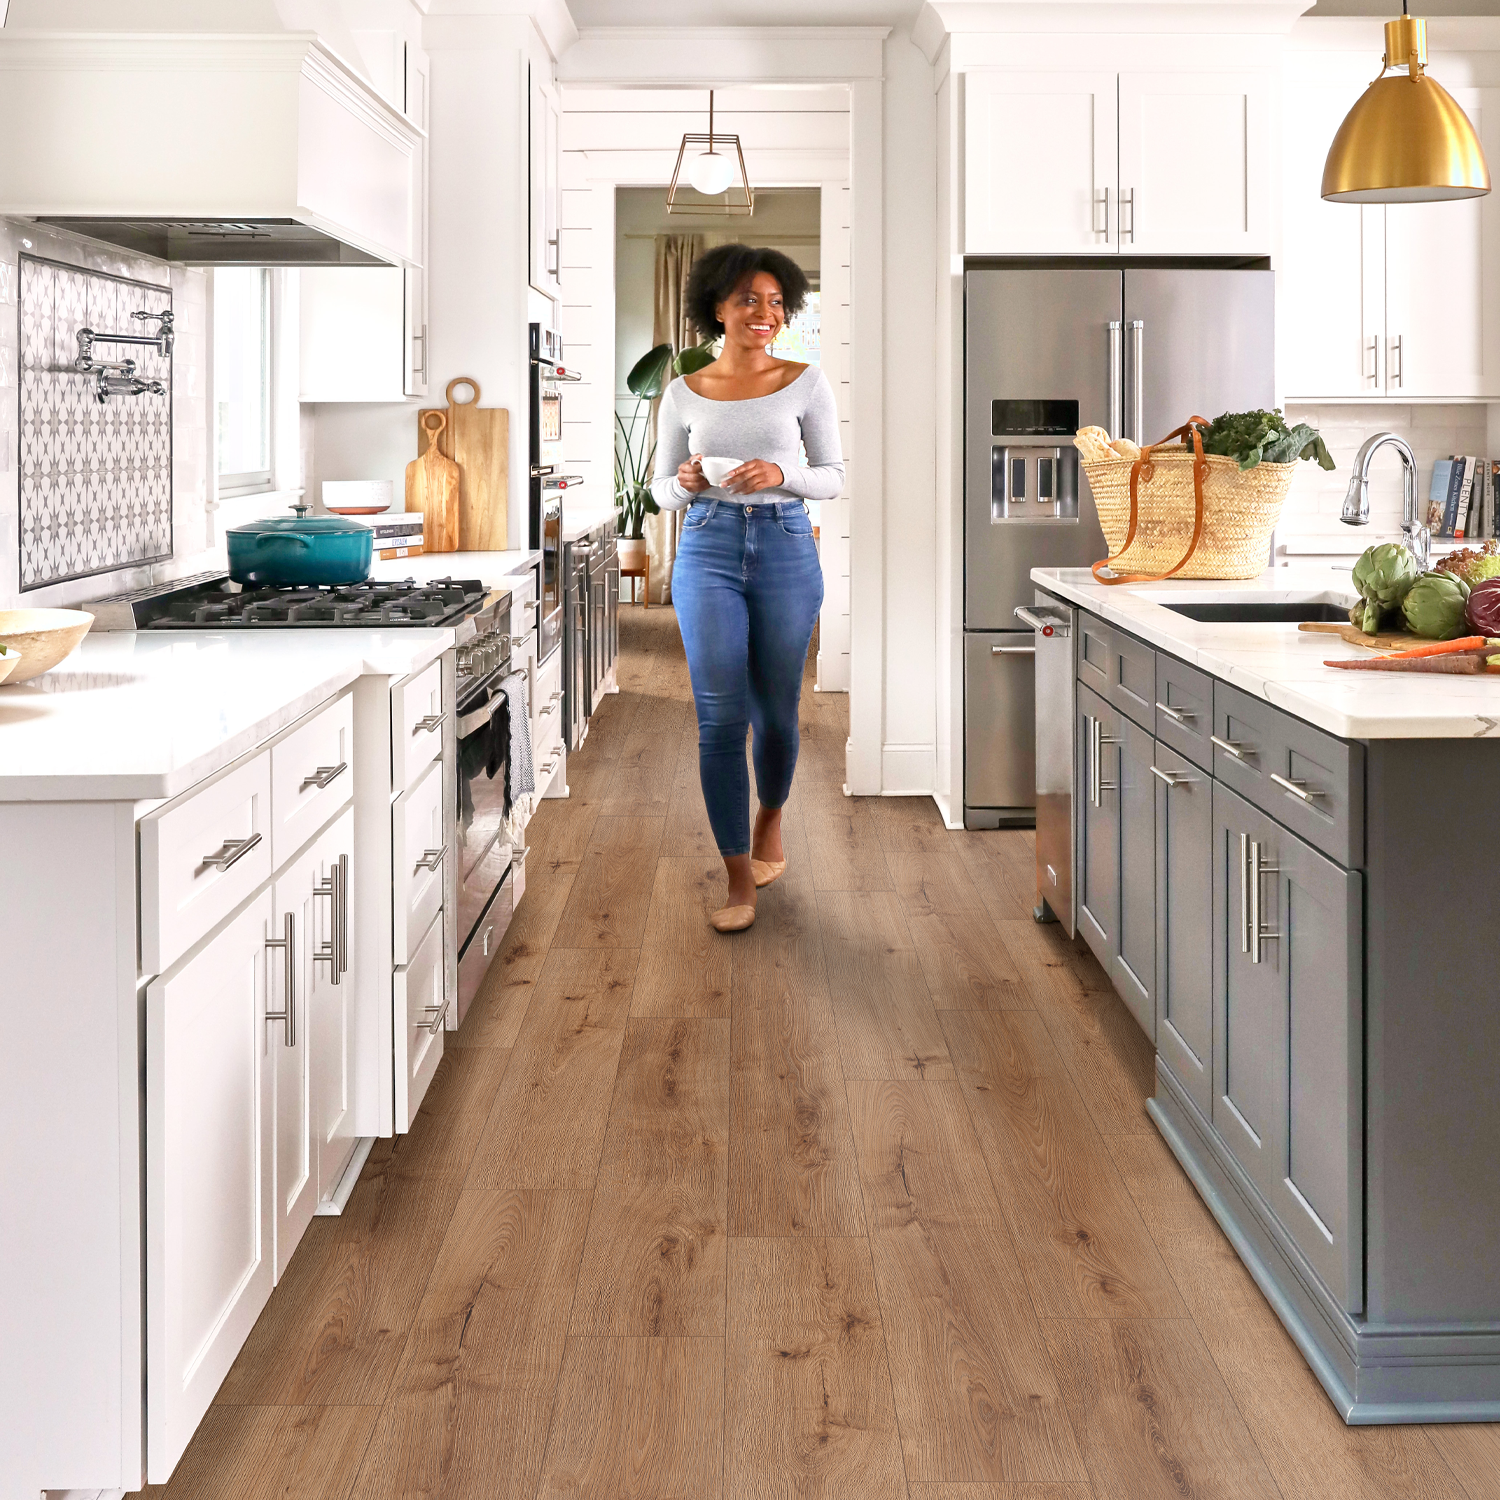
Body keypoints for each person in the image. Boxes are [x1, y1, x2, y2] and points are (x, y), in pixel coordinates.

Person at [650, 243, 844, 933]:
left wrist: (780, 475)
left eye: (775, 302)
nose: (765, 314)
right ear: (717, 309)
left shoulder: (806, 381)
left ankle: (770, 820)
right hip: (708, 547)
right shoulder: (682, 391)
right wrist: (686, 484)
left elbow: (833, 475)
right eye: (748, 301)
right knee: (720, 717)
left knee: (778, 713)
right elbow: (660, 489)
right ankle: (738, 880)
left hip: (788, 546)